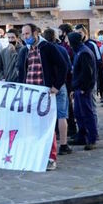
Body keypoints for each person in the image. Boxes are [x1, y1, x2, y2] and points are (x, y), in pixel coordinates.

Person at [17, 24, 67, 170]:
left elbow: (63, 66)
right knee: (32, 126)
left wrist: (56, 86)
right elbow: (21, 71)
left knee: (47, 127)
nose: (25, 37)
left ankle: (51, 158)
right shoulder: (25, 51)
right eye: (23, 34)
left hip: (45, 93)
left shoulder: (48, 48)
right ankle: (36, 155)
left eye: (27, 34)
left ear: (36, 33)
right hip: (30, 93)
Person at [43, 27, 72, 156]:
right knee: (62, 115)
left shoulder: (41, 49)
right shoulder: (61, 49)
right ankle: (63, 144)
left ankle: (49, 144)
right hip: (59, 85)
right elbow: (67, 66)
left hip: (46, 86)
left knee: (47, 116)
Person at [68, 31, 98, 152]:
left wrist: (84, 88)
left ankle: (91, 138)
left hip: (83, 89)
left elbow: (87, 72)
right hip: (78, 87)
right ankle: (82, 136)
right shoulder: (79, 51)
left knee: (87, 113)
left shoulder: (83, 52)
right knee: (79, 114)